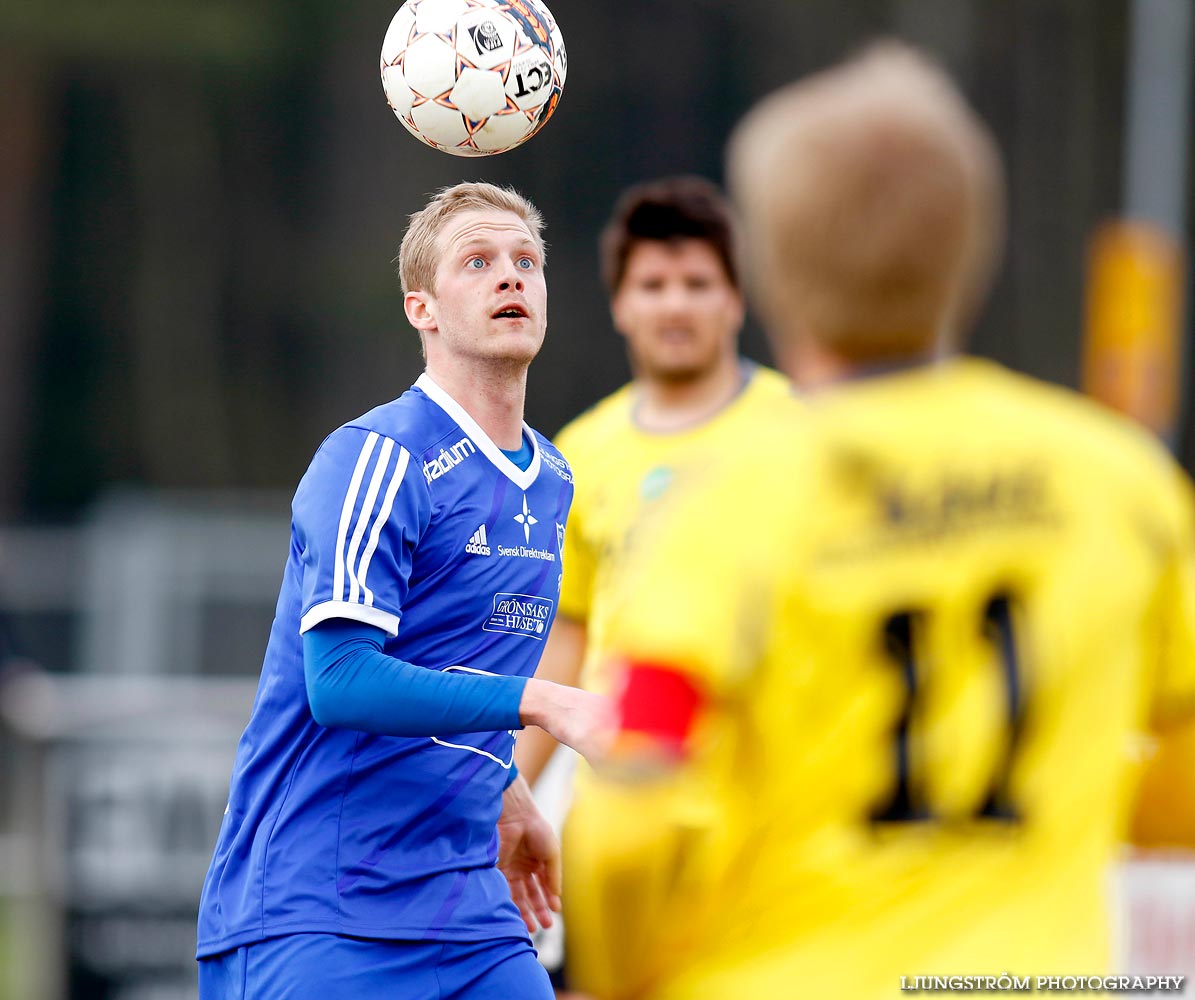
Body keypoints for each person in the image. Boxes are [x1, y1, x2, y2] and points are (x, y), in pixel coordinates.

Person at [600, 43, 1195, 998]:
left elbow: (632, 808)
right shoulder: (1120, 482)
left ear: (772, 269)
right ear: (973, 246)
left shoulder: (730, 498)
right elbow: (1177, 772)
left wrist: (622, 967)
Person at [196, 181, 612, 1000]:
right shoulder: (378, 457)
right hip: (319, 912)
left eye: (526, 261)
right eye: (479, 261)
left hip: (468, 913)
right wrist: (542, 703)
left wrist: (507, 785)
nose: (511, 278)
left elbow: (451, 661)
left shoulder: (553, 476)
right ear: (420, 308)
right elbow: (342, 680)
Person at [512, 176, 790, 999]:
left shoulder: (799, 435)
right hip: (618, 812)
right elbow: (570, 628)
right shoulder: (579, 453)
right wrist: (512, 781)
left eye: (698, 284)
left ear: (737, 300)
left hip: (759, 813)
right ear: (619, 304)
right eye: (653, 285)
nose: (676, 306)